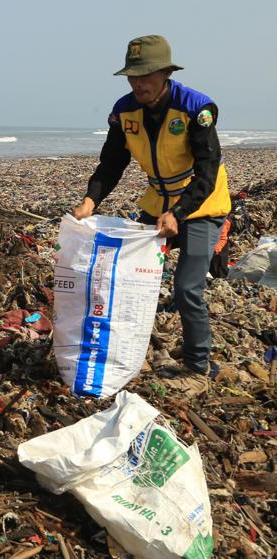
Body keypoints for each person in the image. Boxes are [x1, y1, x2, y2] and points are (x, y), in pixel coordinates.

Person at [74, 35, 231, 396]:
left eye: (145, 75)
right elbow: (112, 162)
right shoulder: (125, 111)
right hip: (158, 203)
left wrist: (179, 212)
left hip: (202, 205)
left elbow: (207, 172)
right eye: (132, 76)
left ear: (165, 73)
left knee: (187, 287)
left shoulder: (196, 109)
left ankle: (197, 366)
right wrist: (90, 200)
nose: (138, 83)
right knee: (124, 274)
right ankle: (128, 350)